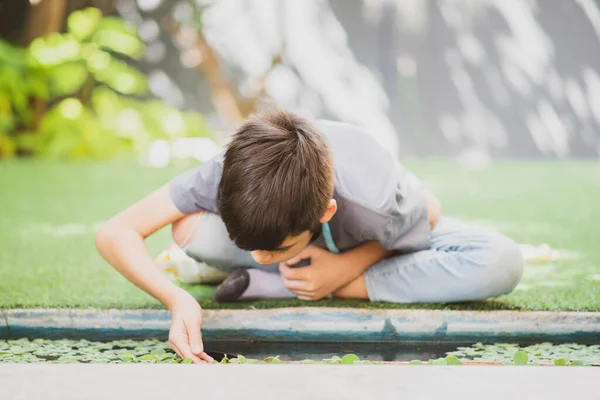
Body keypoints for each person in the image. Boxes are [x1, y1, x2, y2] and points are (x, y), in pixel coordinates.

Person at [96, 110, 524, 363]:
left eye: (274, 250)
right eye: (251, 248)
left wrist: (345, 269)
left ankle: (282, 285)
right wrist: (176, 298)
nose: (261, 256)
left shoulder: (373, 198)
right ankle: (288, 279)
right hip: (306, 224)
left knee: (500, 261)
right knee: (186, 229)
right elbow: (115, 231)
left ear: (325, 213)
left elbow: (430, 210)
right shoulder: (232, 171)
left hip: (368, 236)